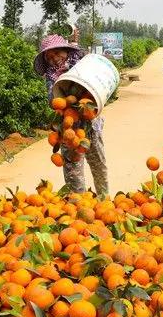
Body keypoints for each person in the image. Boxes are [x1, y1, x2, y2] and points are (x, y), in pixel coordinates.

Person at [34, 34, 109, 197]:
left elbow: (97, 76)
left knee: (99, 165)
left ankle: (105, 202)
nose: (54, 58)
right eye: (49, 56)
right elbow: (52, 100)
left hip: (90, 125)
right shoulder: (51, 75)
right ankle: (78, 206)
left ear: (66, 50)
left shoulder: (81, 63)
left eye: (57, 52)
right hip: (68, 128)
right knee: (73, 172)